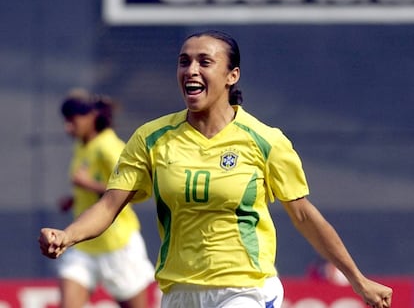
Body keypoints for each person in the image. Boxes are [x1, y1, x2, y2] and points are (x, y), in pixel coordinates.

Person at [39, 31, 392, 308]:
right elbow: (108, 205)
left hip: (244, 289)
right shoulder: (151, 139)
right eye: (184, 61)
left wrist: (358, 279)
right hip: (180, 291)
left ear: (231, 75)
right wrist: (67, 236)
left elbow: (303, 215)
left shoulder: (265, 140)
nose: (191, 70)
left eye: (204, 62)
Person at [52, 88, 156, 308]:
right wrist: (74, 198)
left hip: (117, 245)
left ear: (91, 117)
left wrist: (87, 184)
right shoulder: (83, 145)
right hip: (83, 245)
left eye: (72, 121)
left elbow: (134, 190)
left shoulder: (109, 146)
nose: (68, 127)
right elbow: (97, 185)